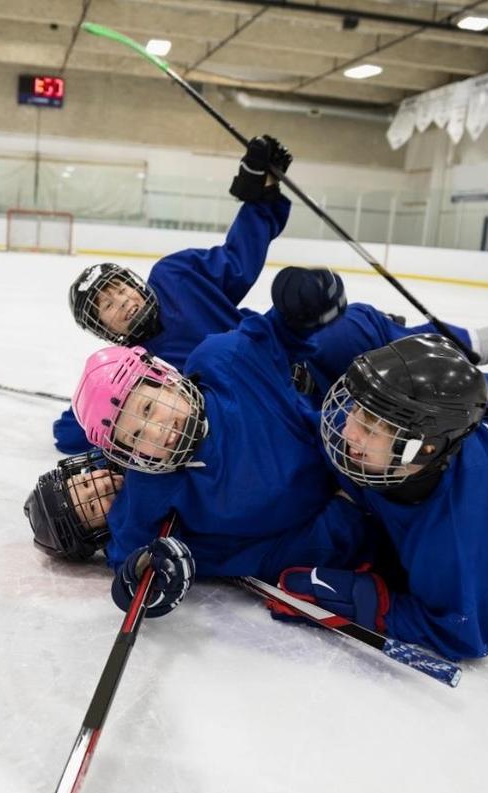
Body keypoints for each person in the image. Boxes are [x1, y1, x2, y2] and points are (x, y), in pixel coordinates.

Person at [267, 328, 488, 660]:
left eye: (369, 428)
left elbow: (461, 631)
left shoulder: (466, 532)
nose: (347, 429)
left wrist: (365, 601)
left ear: (425, 449)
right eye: (356, 411)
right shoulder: (382, 428)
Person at [69, 292, 371, 617]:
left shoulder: (224, 362)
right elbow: (129, 553)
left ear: (166, 381)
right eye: (137, 435)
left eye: (148, 407)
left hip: (367, 474)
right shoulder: (151, 483)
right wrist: (138, 577)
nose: (157, 431)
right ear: (127, 452)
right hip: (338, 544)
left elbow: (273, 335)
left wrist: (296, 305)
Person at [53, 136, 295, 454]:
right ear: (104, 329)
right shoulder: (133, 369)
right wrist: (94, 409)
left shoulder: (175, 276)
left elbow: (238, 260)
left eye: (121, 288)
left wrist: (260, 196)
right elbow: (67, 434)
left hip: (286, 359)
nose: (122, 300)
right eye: (107, 305)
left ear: (135, 283)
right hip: (258, 417)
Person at [24, 450, 124, 561]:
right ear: (99, 535)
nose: (102, 485)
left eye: (86, 483)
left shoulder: (109, 456)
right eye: (92, 507)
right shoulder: (131, 537)